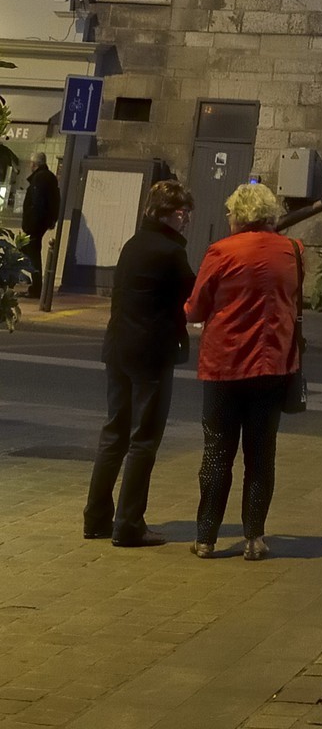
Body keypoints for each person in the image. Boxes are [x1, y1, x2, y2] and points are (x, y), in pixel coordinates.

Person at [185, 181, 302, 559]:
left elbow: (197, 308)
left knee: (218, 452)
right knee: (261, 454)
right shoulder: (293, 252)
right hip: (273, 366)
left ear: (239, 215)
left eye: (231, 214)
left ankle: (206, 537)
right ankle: (254, 537)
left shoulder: (221, 252)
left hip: (224, 365)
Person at [84, 178, 195, 546]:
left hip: (118, 349)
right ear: (172, 214)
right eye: (184, 214)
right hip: (150, 356)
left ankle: (96, 517)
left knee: (114, 433)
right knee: (143, 440)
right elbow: (195, 295)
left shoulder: (133, 244)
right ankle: (129, 524)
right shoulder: (169, 251)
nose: (187, 221)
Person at [21, 151, 60, 298]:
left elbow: (37, 204)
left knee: (31, 254)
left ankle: (36, 287)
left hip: (35, 224)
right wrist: (51, 220)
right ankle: (35, 284)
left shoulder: (39, 179)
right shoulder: (49, 178)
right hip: (41, 223)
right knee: (29, 251)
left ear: (34, 164)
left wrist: (31, 224)